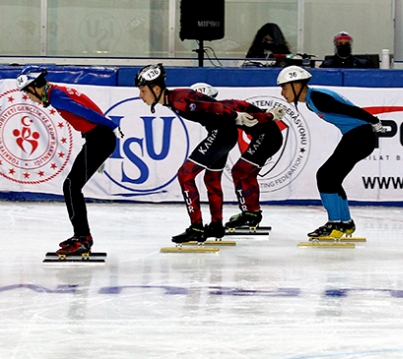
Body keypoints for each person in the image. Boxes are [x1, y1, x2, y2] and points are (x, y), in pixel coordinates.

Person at [135, 64, 258, 244]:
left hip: (222, 132)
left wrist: (235, 116)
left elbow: (212, 106)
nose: (141, 96)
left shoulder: (177, 100)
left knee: (185, 175)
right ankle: (216, 225)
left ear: (155, 88)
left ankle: (196, 227)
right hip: (224, 133)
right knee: (212, 179)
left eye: (143, 91)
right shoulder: (173, 99)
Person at [16, 66, 123, 256]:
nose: (30, 99)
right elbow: (88, 109)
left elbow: (85, 112)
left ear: (35, 87)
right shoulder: (58, 92)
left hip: (100, 138)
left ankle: (83, 237)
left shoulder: (56, 96)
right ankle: (81, 235)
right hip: (97, 138)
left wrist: (111, 126)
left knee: (71, 186)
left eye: (28, 94)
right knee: (72, 185)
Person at [276, 65, 385, 239]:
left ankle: (335, 224)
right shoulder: (312, 101)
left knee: (326, 176)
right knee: (331, 178)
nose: (282, 93)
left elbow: (350, 110)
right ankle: (345, 223)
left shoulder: (318, 98)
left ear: (297, 86)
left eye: (284, 87)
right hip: (356, 136)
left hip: (360, 136)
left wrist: (374, 121)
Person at [189, 82, 286, 230]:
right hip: (266, 135)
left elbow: (251, 116)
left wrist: (270, 115)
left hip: (267, 136)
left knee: (240, 172)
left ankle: (250, 214)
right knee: (246, 174)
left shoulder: (222, 109)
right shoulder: (214, 112)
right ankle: (252, 212)